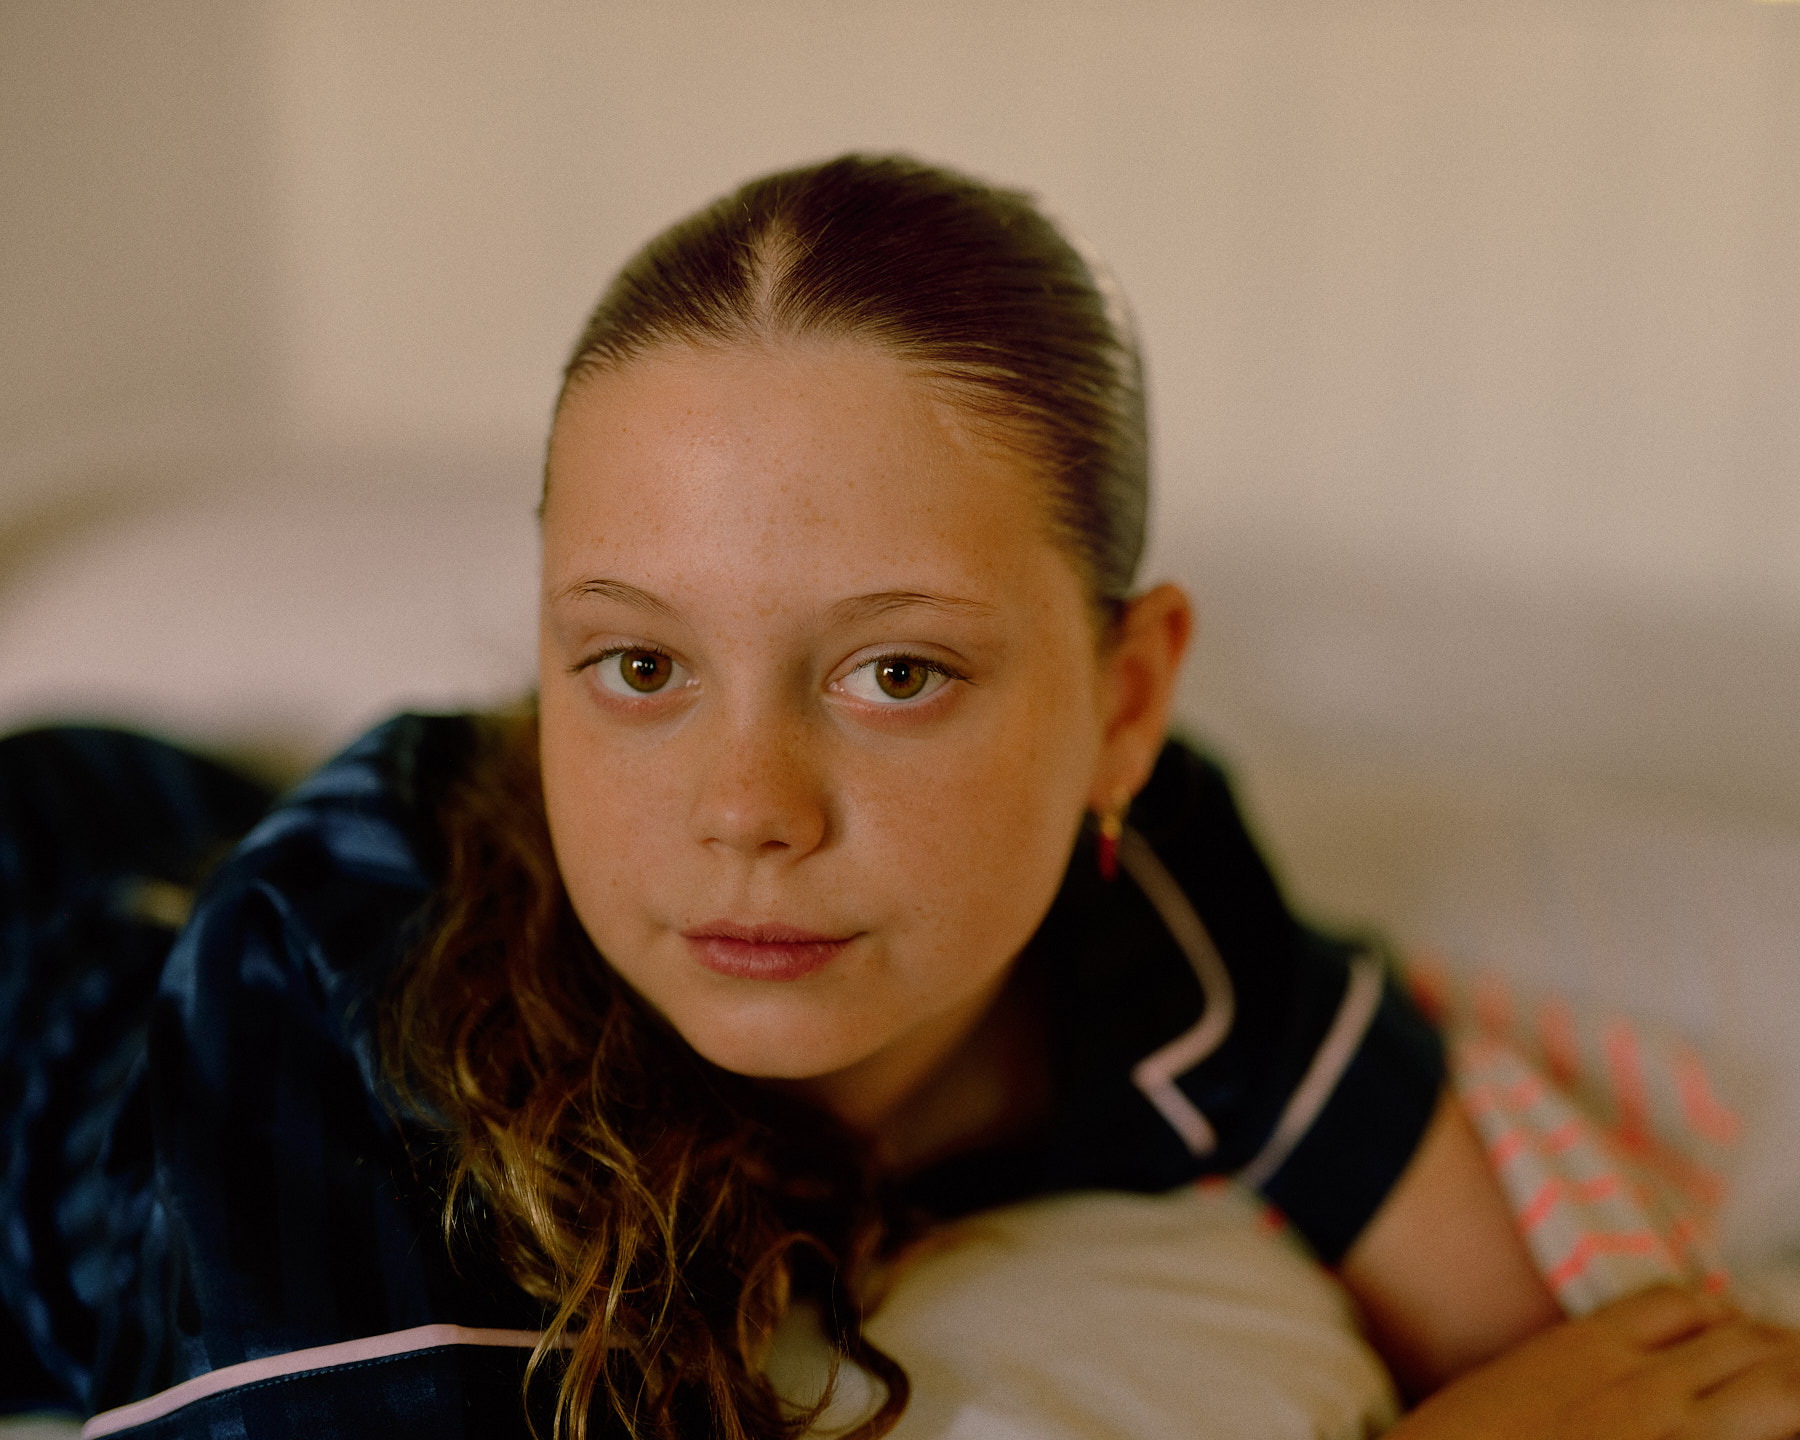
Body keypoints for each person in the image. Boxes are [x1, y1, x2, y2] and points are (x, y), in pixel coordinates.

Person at [5, 153, 1800, 1440]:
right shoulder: (349, 1001)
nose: (748, 809)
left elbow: (1595, 1358)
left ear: (1123, 704)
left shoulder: (1151, 896)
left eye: (895, 675)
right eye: (637, 666)